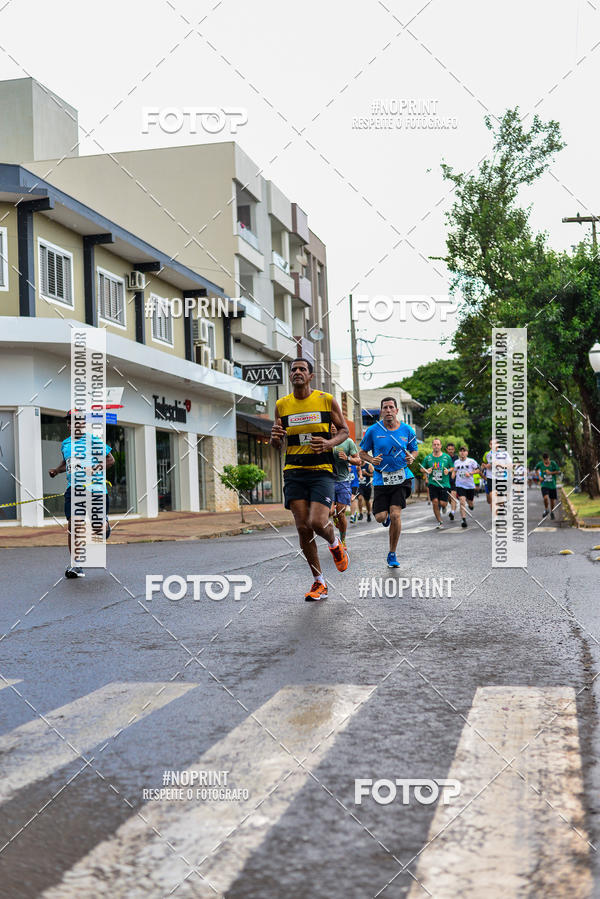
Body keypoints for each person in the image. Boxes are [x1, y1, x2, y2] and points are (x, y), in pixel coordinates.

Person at [270, 357, 350, 602]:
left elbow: (344, 430)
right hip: (294, 471)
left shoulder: (326, 400)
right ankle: (319, 583)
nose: (297, 372)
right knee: (303, 528)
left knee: (317, 521)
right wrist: (274, 437)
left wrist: (328, 442)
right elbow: (277, 442)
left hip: (321, 471)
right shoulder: (281, 405)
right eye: (293, 369)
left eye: (302, 369)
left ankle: (335, 543)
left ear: (310, 376)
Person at [48, 412, 115, 579]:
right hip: (74, 489)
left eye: (75, 422)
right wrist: (56, 471)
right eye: (69, 423)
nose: (71, 425)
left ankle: (104, 526)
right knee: (74, 525)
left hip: (96, 490)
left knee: (98, 529)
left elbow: (110, 460)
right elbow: (67, 464)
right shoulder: (65, 444)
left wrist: (94, 469)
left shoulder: (93, 440)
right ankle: (76, 565)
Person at [359, 397, 418, 568]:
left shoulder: (407, 430)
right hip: (380, 478)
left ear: (397, 410)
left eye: (391, 407)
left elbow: (414, 450)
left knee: (395, 514)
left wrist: (411, 458)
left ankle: (392, 553)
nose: (388, 410)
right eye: (385, 408)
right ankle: (385, 519)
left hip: (401, 477)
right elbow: (362, 452)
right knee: (380, 517)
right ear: (381, 411)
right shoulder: (372, 430)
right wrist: (371, 459)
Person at [330, 423, 361, 547]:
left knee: (341, 513)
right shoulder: (325, 440)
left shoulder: (348, 442)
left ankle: (343, 540)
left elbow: (358, 460)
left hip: (343, 481)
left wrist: (347, 458)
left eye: (334, 424)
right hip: (327, 482)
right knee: (331, 511)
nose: (332, 426)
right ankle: (334, 516)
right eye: (330, 423)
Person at [422, 438, 454, 528]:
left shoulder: (446, 457)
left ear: (440, 446)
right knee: (435, 502)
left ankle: (444, 506)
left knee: (443, 503)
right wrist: (426, 470)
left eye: (438, 444)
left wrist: (448, 470)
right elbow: (421, 468)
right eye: (434, 444)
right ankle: (440, 521)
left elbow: (452, 467)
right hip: (433, 483)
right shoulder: (428, 458)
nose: (436, 446)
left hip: (444, 484)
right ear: (432, 446)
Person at [453, 446, 479, 528]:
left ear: (467, 452)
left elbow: (478, 469)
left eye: (464, 451)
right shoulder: (456, 462)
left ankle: (471, 505)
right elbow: (455, 470)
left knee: (470, 502)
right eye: (461, 451)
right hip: (460, 485)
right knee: (462, 501)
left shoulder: (471, 461)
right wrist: (453, 475)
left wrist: (471, 473)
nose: (462, 452)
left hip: (470, 486)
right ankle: (463, 519)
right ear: (459, 453)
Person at [535, 453, 561, 520]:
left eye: (547, 460)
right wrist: (539, 477)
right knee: (545, 498)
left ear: (549, 458)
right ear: (543, 459)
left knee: (552, 500)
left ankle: (552, 512)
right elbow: (536, 469)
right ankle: (546, 509)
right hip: (544, 484)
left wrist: (551, 473)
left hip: (552, 485)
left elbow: (558, 471)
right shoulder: (540, 464)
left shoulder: (553, 463)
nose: (546, 461)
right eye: (545, 460)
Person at [446, 442, 459, 521]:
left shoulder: (457, 458)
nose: (450, 451)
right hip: (446, 481)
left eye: (452, 449)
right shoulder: (444, 457)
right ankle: (453, 506)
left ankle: (453, 512)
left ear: (454, 450)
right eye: (449, 449)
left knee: (453, 495)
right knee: (449, 498)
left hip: (454, 480)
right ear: (447, 450)